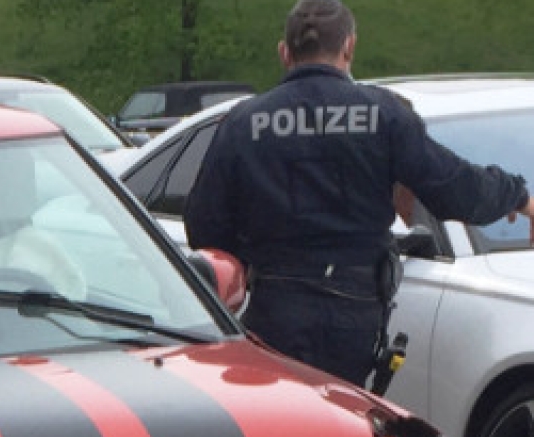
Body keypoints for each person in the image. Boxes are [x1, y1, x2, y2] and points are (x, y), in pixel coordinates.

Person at [185, 0, 534, 387]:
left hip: (275, 308)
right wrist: (518, 195)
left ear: (284, 53)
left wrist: (251, 261)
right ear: (349, 46)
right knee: (345, 422)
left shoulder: (243, 123)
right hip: (354, 311)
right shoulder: (385, 115)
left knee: (285, 427)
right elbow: (456, 189)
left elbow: (204, 226)